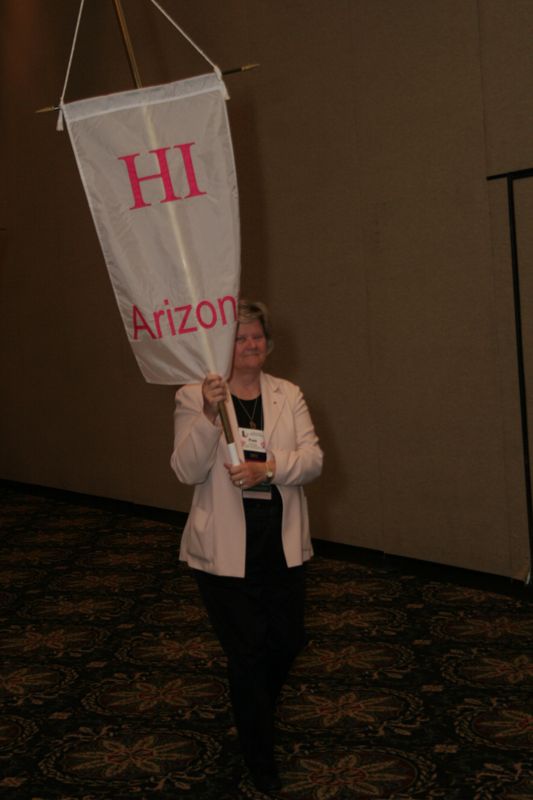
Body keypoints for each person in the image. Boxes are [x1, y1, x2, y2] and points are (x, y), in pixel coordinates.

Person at [170, 299, 323, 793]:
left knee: (286, 641)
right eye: (239, 338)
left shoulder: (288, 394)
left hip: (279, 542)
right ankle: (260, 760)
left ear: (268, 343)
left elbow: (314, 460)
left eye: (256, 336)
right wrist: (211, 415)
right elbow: (186, 470)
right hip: (223, 551)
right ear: (222, 347)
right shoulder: (194, 397)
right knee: (249, 653)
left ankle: (253, 705)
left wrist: (269, 469)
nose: (250, 345)